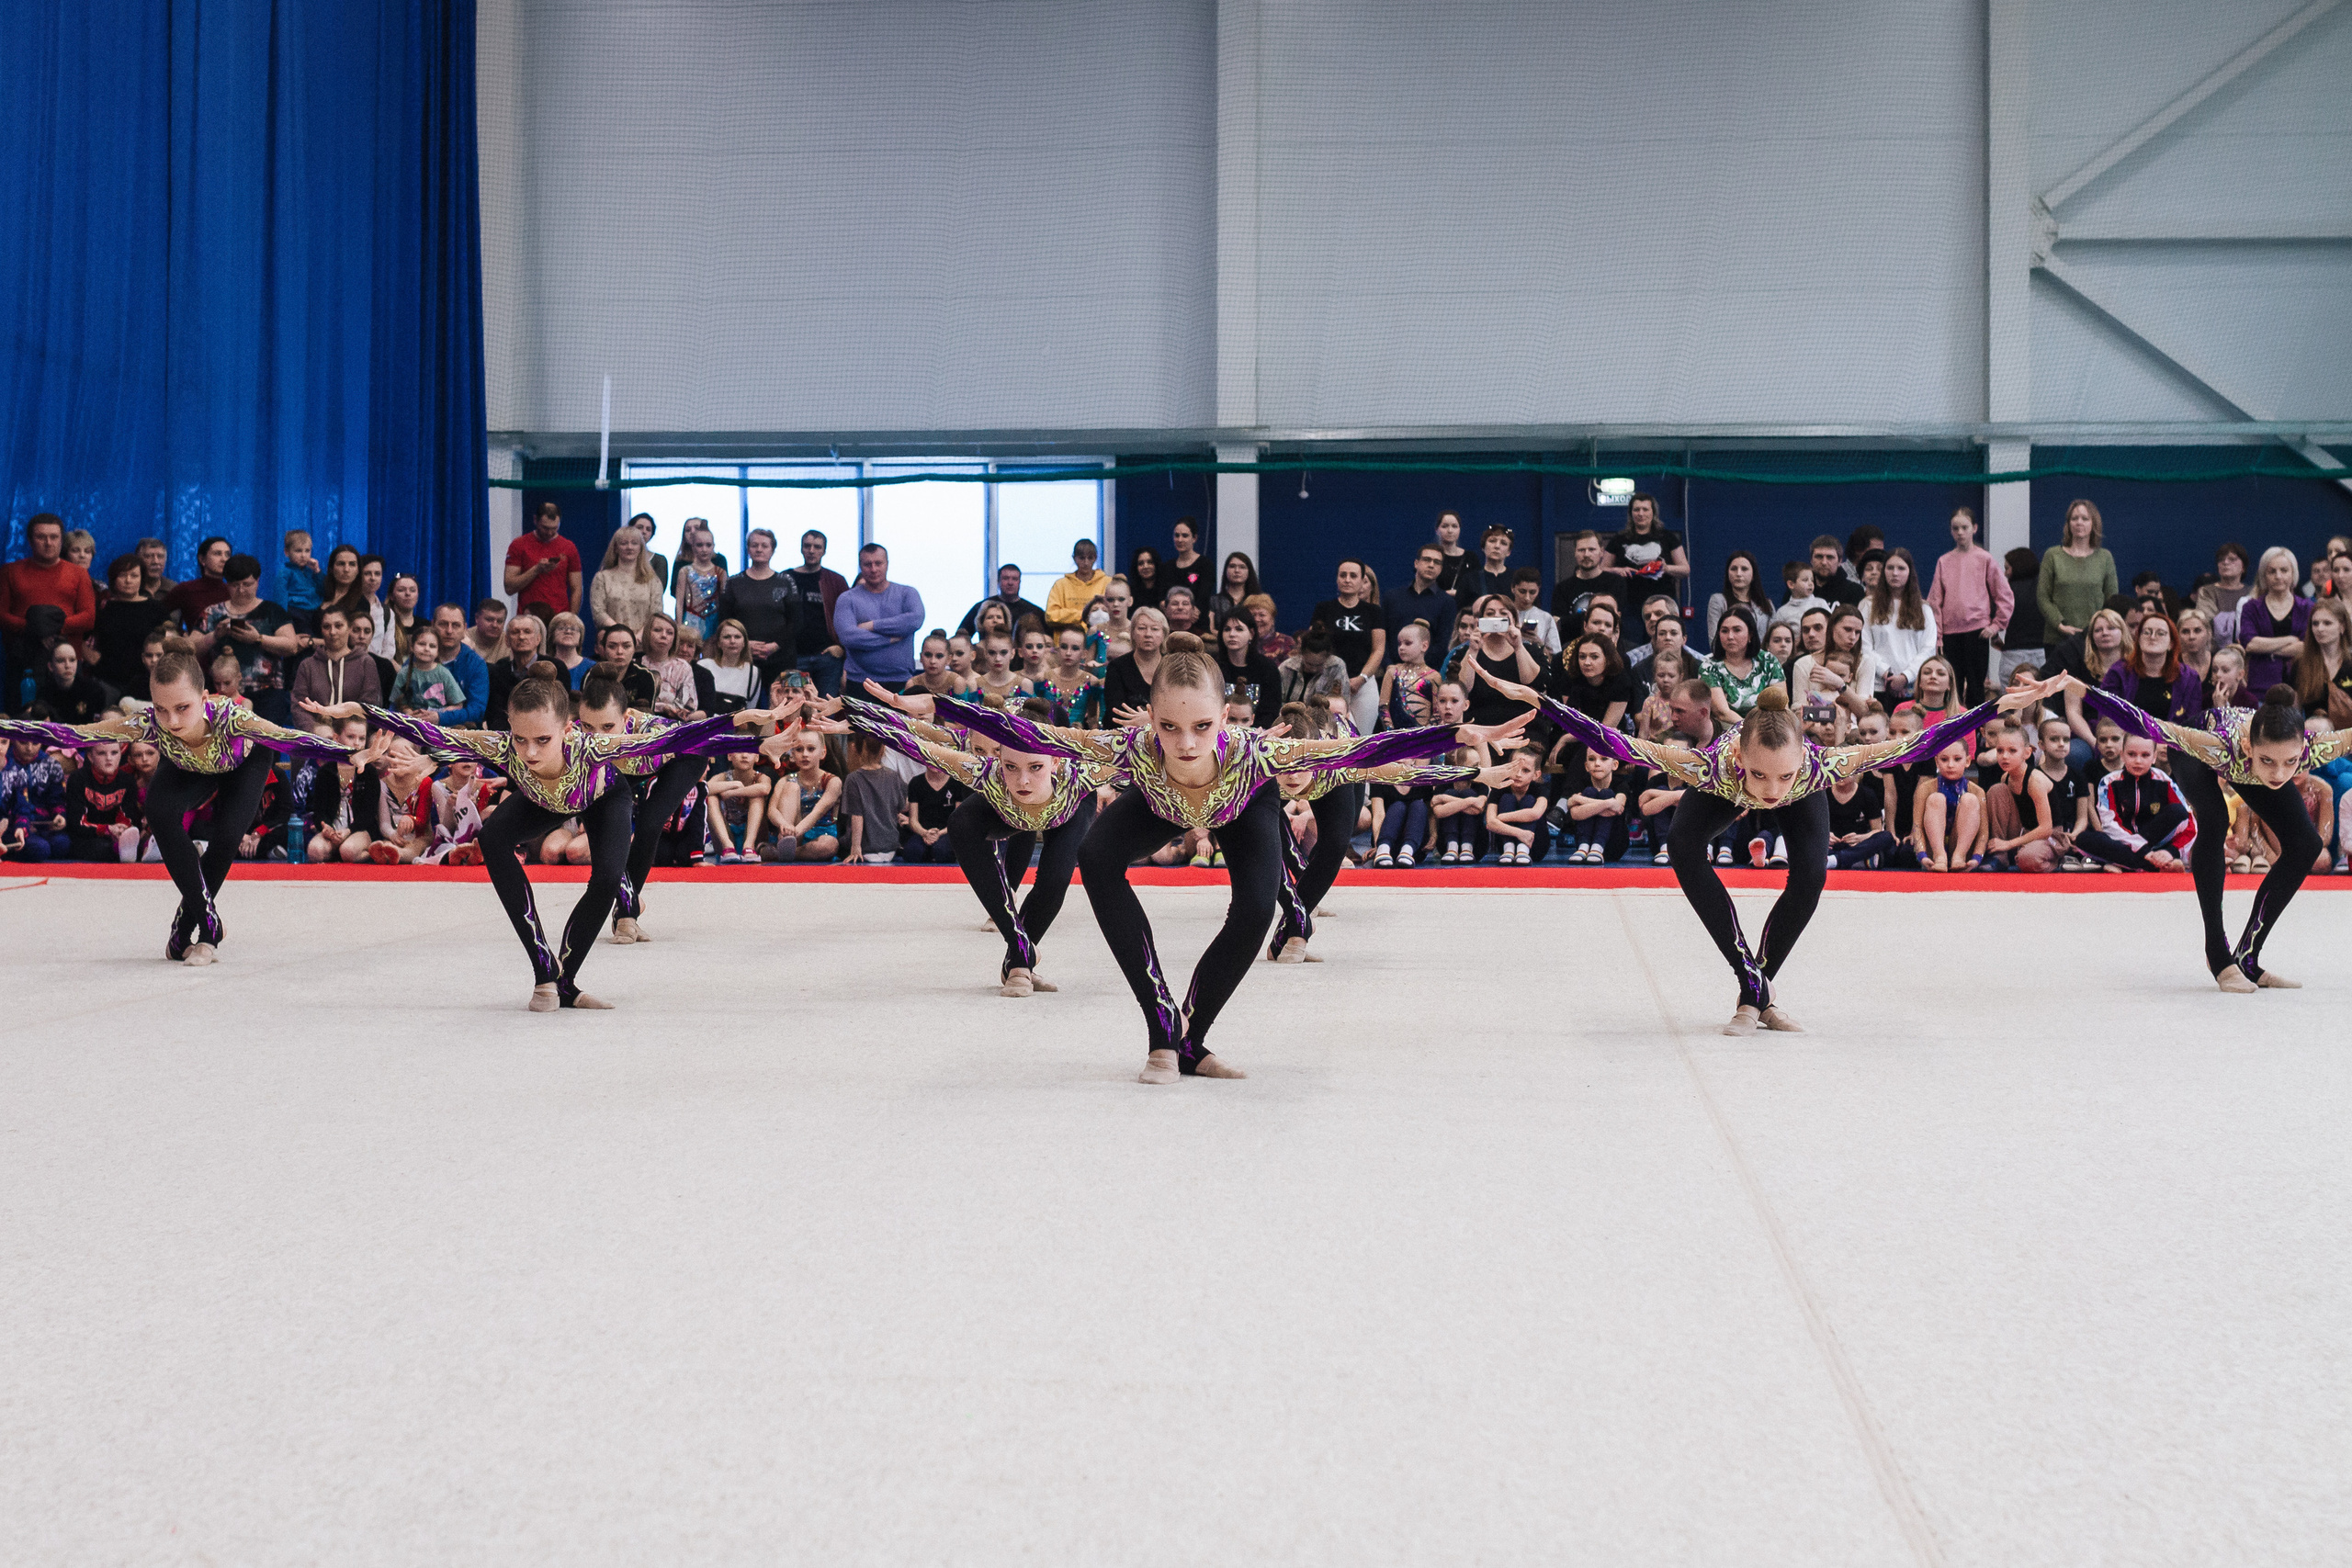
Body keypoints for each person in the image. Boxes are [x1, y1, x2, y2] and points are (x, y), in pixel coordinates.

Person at [936, 636, 1529, 1081]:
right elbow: (1007, 725)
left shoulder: (1261, 750)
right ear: (1151, 717)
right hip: (1160, 799)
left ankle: (1194, 1038)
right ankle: (1162, 1031)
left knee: (1253, 909)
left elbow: (1371, 754)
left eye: (1201, 726)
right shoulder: (1136, 749)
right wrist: (925, 708)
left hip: (1245, 803)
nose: (1187, 743)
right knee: (1095, 857)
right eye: (1169, 726)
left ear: (1225, 717)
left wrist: (1458, 743)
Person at [1485, 669, 2065, 1032]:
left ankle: (1751, 995)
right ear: (1742, 759)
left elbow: (1921, 740)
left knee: (1811, 876)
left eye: (1780, 777)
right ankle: (1753, 985)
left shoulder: (1815, 768)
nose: (1770, 791)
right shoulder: (1711, 763)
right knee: (1686, 853)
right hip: (1717, 791)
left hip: (1806, 789)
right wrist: (1538, 699)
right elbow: (1612, 739)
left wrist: (2000, 706)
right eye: (1761, 778)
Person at [304, 676, 768, 1007]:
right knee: (495, 838)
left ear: (568, 728)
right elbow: (430, 731)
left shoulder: (595, 746)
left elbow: (689, 734)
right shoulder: (505, 748)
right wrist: (361, 711)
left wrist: (750, 732)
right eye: (520, 738)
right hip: (540, 799)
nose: (528, 751)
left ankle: (567, 981)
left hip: (604, 797)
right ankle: (543, 970)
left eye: (542, 739)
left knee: (606, 880)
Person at [5, 641, 352, 957]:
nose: (171, 721)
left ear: (204, 698)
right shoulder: (153, 723)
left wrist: (352, 755)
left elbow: (293, 739)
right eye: (161, 709)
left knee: (226, 838)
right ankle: (209, 918)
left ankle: (188, 929)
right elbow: (77, 734)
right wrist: (11, 727)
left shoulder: (233, 717)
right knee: (158, 810)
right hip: (190, 765)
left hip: (243, 765)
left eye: (183, 708)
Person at [831, 693, 1114, 993]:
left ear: (1056, 760)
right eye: (1007, 764)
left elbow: (1136, 751)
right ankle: (1021, 952)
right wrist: (861, 716)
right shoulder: (985, 768)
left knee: (1055, 879)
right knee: (961, 823)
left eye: (1034, 767)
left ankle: (1018, 963)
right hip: (1007, 808)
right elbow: (920, 742)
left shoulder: (1081, 774)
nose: (1022, 780)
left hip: (1067, 810)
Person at [2080, 677, 2350, 987]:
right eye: (2269, 761)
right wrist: (2076, 687)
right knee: (2215, 819)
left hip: (2250, 764)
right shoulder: (2219, 746)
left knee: (2306, 844)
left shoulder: (2309, 749)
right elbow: (2146, 724)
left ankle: (2248, 957)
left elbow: (2285, 762)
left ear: (2303, 749)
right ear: (2251, 746)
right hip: (2199, 753)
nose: (2280, 775)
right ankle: (2217, 953)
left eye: (2291, 762)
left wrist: (2277, 763)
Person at [4, 513, 98, 708]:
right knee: (22, 722)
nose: (48, 543)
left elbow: (88, 618)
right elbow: (1, 614)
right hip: (24, 661)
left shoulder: (79, 574)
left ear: (61, 541)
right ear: (30, 541)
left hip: (67, 662)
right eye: (41, 537)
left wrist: (51, 630)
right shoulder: (10, 571)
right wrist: (32, 629)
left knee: (68, 726)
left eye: (54, 537)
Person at [2076, 731, 2195, 875]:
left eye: (2145, 755)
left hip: (2156, 844)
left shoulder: (2164, 780)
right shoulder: (2109, 782)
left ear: (2154, 757)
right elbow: (2109, 824)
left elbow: (2190, 823)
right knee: (2083, 839)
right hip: (2122, 842)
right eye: (2132, 754)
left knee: (2178, 811)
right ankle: (2154, 866)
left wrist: (2171, 851)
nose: (2138, 761)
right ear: (2122, 755)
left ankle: (2123, 863)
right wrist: (2143, 850)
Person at [1926, 506, 2011, 704]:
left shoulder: (1984, 559)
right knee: (1951, 686)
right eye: (1955, 528)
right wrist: (1938, 637)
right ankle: (1950, 729)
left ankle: (1976, 732)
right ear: (1951, 531)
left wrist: (1996, 625)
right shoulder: (1944, 561)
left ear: (1975, 528)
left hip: (1977, 631)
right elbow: (1935, 602)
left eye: (1964, 527)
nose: (1960, 533)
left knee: (1976, 685)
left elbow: (2004, 594)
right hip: (1950, 634)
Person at [713, 528, 801, 686]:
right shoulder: (733, 582)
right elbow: (725, 621)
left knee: (792, 704)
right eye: (754, 545)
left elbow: (797, 622)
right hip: (742, 657)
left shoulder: (787, 581)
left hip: (784, 658)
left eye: (764, 546)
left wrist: (774, 646)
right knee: (741, 709)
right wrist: (745, 644)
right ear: (748, 549)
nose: (759, 549)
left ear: (773, 550)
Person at [833, 543, 924, 690]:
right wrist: (890, 639)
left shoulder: (907, 593)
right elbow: (848, 637)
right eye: (868, 564)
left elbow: (915, 620)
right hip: (859, 682)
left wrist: (872, 626)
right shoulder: (847, 599)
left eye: (878, 563)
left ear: (887, 564)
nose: (873, 569)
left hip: (901, 681)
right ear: (860, 566)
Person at [1313, 559, 1387, 733]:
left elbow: (1379, 649)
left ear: (1363, 581)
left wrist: (1362, 678)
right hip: (1329, 682)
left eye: (1353, 576)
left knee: (1361, 739)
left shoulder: (1373, 612)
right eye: (1343, 575)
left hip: (1363, 684)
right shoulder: (1324, 608)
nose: (1347, 579)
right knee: (1328, 734)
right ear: (1337, 580)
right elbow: (1315, 644)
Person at [2037, 499, 2119, 645]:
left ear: (2093, 523)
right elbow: (2043, 597)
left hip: (2094, 639)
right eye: (2074, 518)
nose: (2079, 522)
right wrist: (2060, 625)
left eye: (2085, 518)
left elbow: (2112, 598)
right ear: (2068, 524)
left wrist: (2099, 628)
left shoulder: (2105, 557)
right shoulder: (2053, 555)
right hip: (2057, 639)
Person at [1862, 547, 1937, 704]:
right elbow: (1864, 646)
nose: (1895, 573)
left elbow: (1928, 649)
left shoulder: (1924, 609)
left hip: (1913, 686)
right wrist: (1887, 674)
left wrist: (1905, 677)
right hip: (1878, 686)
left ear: (1910, 572)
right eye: (1890, 568)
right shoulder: (1868, 606)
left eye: (1901, 568)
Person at [90, 554, 167, 702]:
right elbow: (84, 637)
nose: (128, 580)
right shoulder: (104, 608)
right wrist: (94, 660)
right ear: (114, 579)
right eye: (123, 575)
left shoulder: (156, 609)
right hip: (108, 682)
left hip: (148, 683)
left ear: (141, 578)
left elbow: (170, 640)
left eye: (134, 575)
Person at [2237, 547, 2312, 693]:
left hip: (2299, 686)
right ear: (2264, 576)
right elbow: (2250, 644)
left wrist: (2267, 649)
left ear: (2293, 574)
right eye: (2272, 571)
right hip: (2260, 687)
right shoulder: (2251, 608)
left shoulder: (2307, 608)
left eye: (2284, 570)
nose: (2278, 576)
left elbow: (2305, 647)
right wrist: (2290, 639)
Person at [765, 728, 842, 862]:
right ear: (792, 754)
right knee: (791, 786)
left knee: (830, 844)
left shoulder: (833, 781)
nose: (805, 754)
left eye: (811, 749)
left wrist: (795, 831)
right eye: (799, 749)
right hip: (790, 834)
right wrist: (784, 826)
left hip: (820, 837)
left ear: (823, 753)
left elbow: (817, 813)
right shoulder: (785, 780)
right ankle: (787, 844)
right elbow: (771, 811)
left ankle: (785, 853)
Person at [289, 605, 382, 712]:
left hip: (356, 725)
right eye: (326, 626)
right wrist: (315, 727)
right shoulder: (307, 665)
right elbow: (299, 707)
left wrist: (352, 725)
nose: (332, 632)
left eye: (338, 626)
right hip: (316, 726)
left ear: (349, 628)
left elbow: (371, 705)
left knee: (355, 728)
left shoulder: (366, 662)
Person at [1698, 609, 1781, 727]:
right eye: (1724, 631)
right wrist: (1751, 729)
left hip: (1769, 728)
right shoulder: (1709, 666)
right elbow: (1722, 713)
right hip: (1727, 731)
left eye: (1737, 630)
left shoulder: (1768, 661)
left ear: (1750, 635)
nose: (1730, 636)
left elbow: (1780, 705)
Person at [506, 501, 583, 623]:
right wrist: (536, 569)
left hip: (559, 617)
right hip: (528, 618)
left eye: (555, 528)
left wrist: (571, 619)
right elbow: (509, 587)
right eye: (545, 528)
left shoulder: (569, 547)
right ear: (535, 520)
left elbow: (577, 588)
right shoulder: (519, 545)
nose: (550, 533)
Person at [590, 524, 663, 651]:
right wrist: (622, 634)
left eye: (634, 543)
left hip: (643, 645)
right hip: (613, 646)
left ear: (641, 548)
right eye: (624, 543)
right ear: (616, 548)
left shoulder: (653, 580)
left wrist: (638, 636)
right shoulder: (602, 578)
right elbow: (598, 612)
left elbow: (656, 613)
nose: (629, 547)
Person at [1213, 615, 1283, 728]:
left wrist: (1253, 735)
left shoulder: (1267, 668)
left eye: (1239, 629)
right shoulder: (1213, 666)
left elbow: (1271, 711)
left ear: (1251, 634)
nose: (1232, 634)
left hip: (1257, 734)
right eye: (1227, 629)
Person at [666, 520, 729, 644]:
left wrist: (724, 626)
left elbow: (724, 602)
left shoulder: (721, 572)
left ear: (713, 546)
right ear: (693, 546)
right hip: (690, 619)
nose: (704, 549)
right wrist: (679, 627)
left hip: (714, 621)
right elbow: (679, 602)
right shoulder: (685, 571)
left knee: (710, 658)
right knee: (689, 654)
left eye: (708, 545)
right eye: (699, 545)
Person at [956, 563, 1048, 640]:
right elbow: (961, 635)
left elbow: (1048, 641)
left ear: (1019, 582)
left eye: (1014, 579)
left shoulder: (1034, 611)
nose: (1010, 583)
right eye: (1006, 578)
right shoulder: (982, 607)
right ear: (998, 581)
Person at [1103, 606, 1167, 716]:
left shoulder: (1173, 666)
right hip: (1124, 730)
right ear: (1132, 633)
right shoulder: (1117, 667)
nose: (1148, 634)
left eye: (1155, 629)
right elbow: (1115, 711)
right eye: (1142, 628)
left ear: (1164, 634)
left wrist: (1149, 720)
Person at [1389, 547, 1457, 647]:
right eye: (1427, 560)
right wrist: (1390, 663)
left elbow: (1443, 643)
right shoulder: (1393, 597)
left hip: (1428, 662)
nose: (1431, 565)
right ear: (1416, 563)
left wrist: (1420, 662)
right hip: (1392, 661)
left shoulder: (1447, 603)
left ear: (1441, 569)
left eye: (1437, 562)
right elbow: (1383, 638)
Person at [163, 537, 232, 634]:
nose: (224, 559)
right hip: (197, 645)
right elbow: (158, 614)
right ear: (202, 559)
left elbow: (245, 622)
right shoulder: (187, 589)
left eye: (227, 554)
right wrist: (179, 635)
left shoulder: (234, 590)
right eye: (217, 553)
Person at [1705, 552, 1775, 646]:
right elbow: (1714, 641)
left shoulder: (1767, 604)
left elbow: (1774, 640)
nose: (1738, 574)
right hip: (1729, 658)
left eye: (1744, 569)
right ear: (1727, 573)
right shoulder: (1718, 601)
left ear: (1753, 574)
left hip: (1761, 658)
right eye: (1734, 569)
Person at [1453, 525, 1518, 615]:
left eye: (1503, 543)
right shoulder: (1469, 579)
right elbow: (1459, 613)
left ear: (1509, 552)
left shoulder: (1516, 579)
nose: (1497, 546)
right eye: (1492, 541)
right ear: (1483, 547)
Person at [2193, 542, 2255, 620]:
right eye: (2221, 560)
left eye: (2232, 559)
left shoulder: (2253, 593)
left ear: (2243, 567)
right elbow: (2209, 622)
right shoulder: (2207, 592)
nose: (2225, 562)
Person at [1202, 550, 1260, 629]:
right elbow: (1210, 629)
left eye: (1242, 567)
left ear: (1249, 572)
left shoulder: (1257, 601)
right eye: (1232, 566)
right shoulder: (1214, 601)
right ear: (1226, 571)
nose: (1237, 571)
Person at [1165, 518, 1209, 603]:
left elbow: (1203, 598)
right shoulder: (1167, 567)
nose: (1180, 540)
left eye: (1185, 536)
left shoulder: (1205, 564)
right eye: (1177, 535)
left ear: (1194, 538)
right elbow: (1162, 597)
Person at [1126, 546, 1166, 610]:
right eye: (1141, 563)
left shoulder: (1166, 590)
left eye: (1150, 562)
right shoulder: (1130, 592)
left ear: (1156, 564)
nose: (1145, 566)